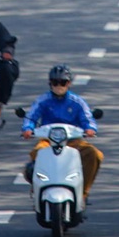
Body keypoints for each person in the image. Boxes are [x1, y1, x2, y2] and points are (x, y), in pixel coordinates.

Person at [22, 65, 103, 197]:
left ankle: (83, 192)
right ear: (50, 83)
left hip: (73, 141)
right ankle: (38, 186)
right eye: (55, 82)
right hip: (48, 141)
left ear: (69, 83)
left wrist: (90, 129)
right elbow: (31, 117)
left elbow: (88, 119)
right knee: (37, 152)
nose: (59, 86)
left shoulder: (78, 102)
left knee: (95, 155)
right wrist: (27, 129)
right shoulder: (42, 101)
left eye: (63, 82)